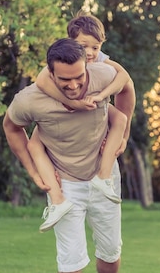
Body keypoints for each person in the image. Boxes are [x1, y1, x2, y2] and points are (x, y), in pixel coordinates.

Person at [3, 39, 136, 273]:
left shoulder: (101, 76)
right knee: (70, 259)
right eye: (66, 81)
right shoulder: (30, 100)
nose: (75, 85)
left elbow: (127, 86)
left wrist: (125, 129)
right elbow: (11, 127)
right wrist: (34, 172)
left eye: (80, 77)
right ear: (51, 74)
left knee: (110, 254)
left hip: (103, 178)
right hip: (65, 184)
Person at [28, 13, 131, 232]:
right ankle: (56, 199)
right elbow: (41, 80)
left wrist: (103, 94)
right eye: (85, 46)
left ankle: (103, 177)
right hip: (62, 115)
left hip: (93, 111)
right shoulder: (64, 59)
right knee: (35, 144)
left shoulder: (101, 60)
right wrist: (70, 103)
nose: (91, 53)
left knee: (120, 119)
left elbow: (124, 78)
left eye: (96, 46)